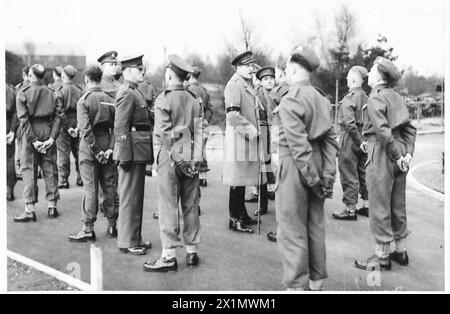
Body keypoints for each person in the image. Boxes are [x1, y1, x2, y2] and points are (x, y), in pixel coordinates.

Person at [272, 46, 338, 291]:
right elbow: (331, 140)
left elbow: (299, 147)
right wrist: (326, 177)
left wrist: (312, 179)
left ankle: (296, 285)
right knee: (315, 225)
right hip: (319, 164)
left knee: (291, 228)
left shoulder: (291, 99)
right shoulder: (321, 98)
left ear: (293, 69)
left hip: (296, 169)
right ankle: (316, 280)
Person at [354, 57, 416, 271]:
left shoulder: (375, 97)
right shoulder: (397, 97)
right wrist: (406, 154)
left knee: (380, 204)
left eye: (371, 70)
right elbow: (410, 129)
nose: (368, 74)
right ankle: (401, 251)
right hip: (397, 150)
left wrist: (394, 155)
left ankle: (381, 256)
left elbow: (381, 130)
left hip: (381, 152)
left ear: (379, 76)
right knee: (397, 204)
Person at [143, 54, 203, 272]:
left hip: (170, 157)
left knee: (168, 206)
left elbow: (165, 135)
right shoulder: (194, 99)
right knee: (190, 204)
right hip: (190, 151)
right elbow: (200, 131)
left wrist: (179, 160)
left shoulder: (163, 99)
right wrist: (194, 160)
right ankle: (192, 251)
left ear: (169, 75)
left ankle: (168, 255)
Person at [68, 65, 118, 242]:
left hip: (90, 150)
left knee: (91, 189)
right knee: (110, 187)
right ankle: (112, 225)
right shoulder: (110, 100)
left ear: (87, 80)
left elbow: (85, 130)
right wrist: (109, 149)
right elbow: (116, 128)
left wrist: (96, 151)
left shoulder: (84, 100)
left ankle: (88, 228)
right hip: (107, 144)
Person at [113, 55, 153, 255]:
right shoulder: (127, 93)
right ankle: (128, 241)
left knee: (135, 198)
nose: (142, 73)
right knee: (130, 198)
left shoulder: (134, 91)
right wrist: (125, 156)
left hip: (137, 151)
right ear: (128, 72)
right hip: (130, 153)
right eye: (139, 70)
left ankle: (134, 237)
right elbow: (120, 128)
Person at [14, 64, 64, 222]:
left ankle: (29, 210)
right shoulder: (53, 93)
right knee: (50, 169)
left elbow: (23, 120)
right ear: (43, 76)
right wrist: (52, 138)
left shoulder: (22, 93)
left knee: (28, 169)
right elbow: (59, 116)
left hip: (30, 133)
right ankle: (52, 207)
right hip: (48, 130)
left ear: (29, 74)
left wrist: (34, 141)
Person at [222, 51, 263, 234]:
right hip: (239, 139)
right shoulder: (234, 85)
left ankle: (242, 214)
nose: (251, 69)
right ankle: (235, 219)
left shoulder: (246, 84)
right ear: (238, 67)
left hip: (245, 139)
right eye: (247, 66)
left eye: (252, 66)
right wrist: (252, 132)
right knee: (237, 181)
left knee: (243, 178)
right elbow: (232, 115)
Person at [332, 66, 370, 221]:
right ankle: (367, 206)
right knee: (363, 173)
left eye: (349, 76)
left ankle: (350, 210)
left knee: (348, 173)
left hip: (350, 139)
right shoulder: (367, 97)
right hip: (364, 137)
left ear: (354, 79)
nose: (347, 79)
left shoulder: (349, 98)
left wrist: (357, 141)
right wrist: (363, 141)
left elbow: (349, 124)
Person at [56, 65, 84, 189]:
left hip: (64, 126)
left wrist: (68, 127)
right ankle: (81, 178)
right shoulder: (79, 90)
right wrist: (77, 127)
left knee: (63, 154)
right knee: (79, 153)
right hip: (78, 124)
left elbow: (60, 111)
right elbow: (83, 110)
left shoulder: (60, 91)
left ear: (63, 75)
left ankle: (63, 180)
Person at [186, 66, 214, 187]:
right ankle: (203, 177)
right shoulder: (203, 90)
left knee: (190, 149)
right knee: (201, 148)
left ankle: (192, 173)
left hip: (190, 123)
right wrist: (206, 120)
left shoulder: (187, 89)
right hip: (201, 122)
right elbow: (210, 108)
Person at [138, 72, 157, 177]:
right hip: (148, 120)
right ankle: (148, 167)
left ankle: (140, 165)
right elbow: (154, 104)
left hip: (137, 121)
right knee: (149, 142)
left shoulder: (134, 88)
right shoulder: (150, 87)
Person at [15, 66, 31, 181]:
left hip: (20, 121)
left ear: (23, 75)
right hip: (34, 122)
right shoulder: (36, 87)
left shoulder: (18, 88)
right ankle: (37, 170)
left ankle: (20, 169)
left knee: (20, 146)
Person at [6, 81, 19, 201]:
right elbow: (16, 112)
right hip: (7, 126)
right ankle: (9, 191)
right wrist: (12, 130)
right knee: (9, 159)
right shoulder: (11, 90)